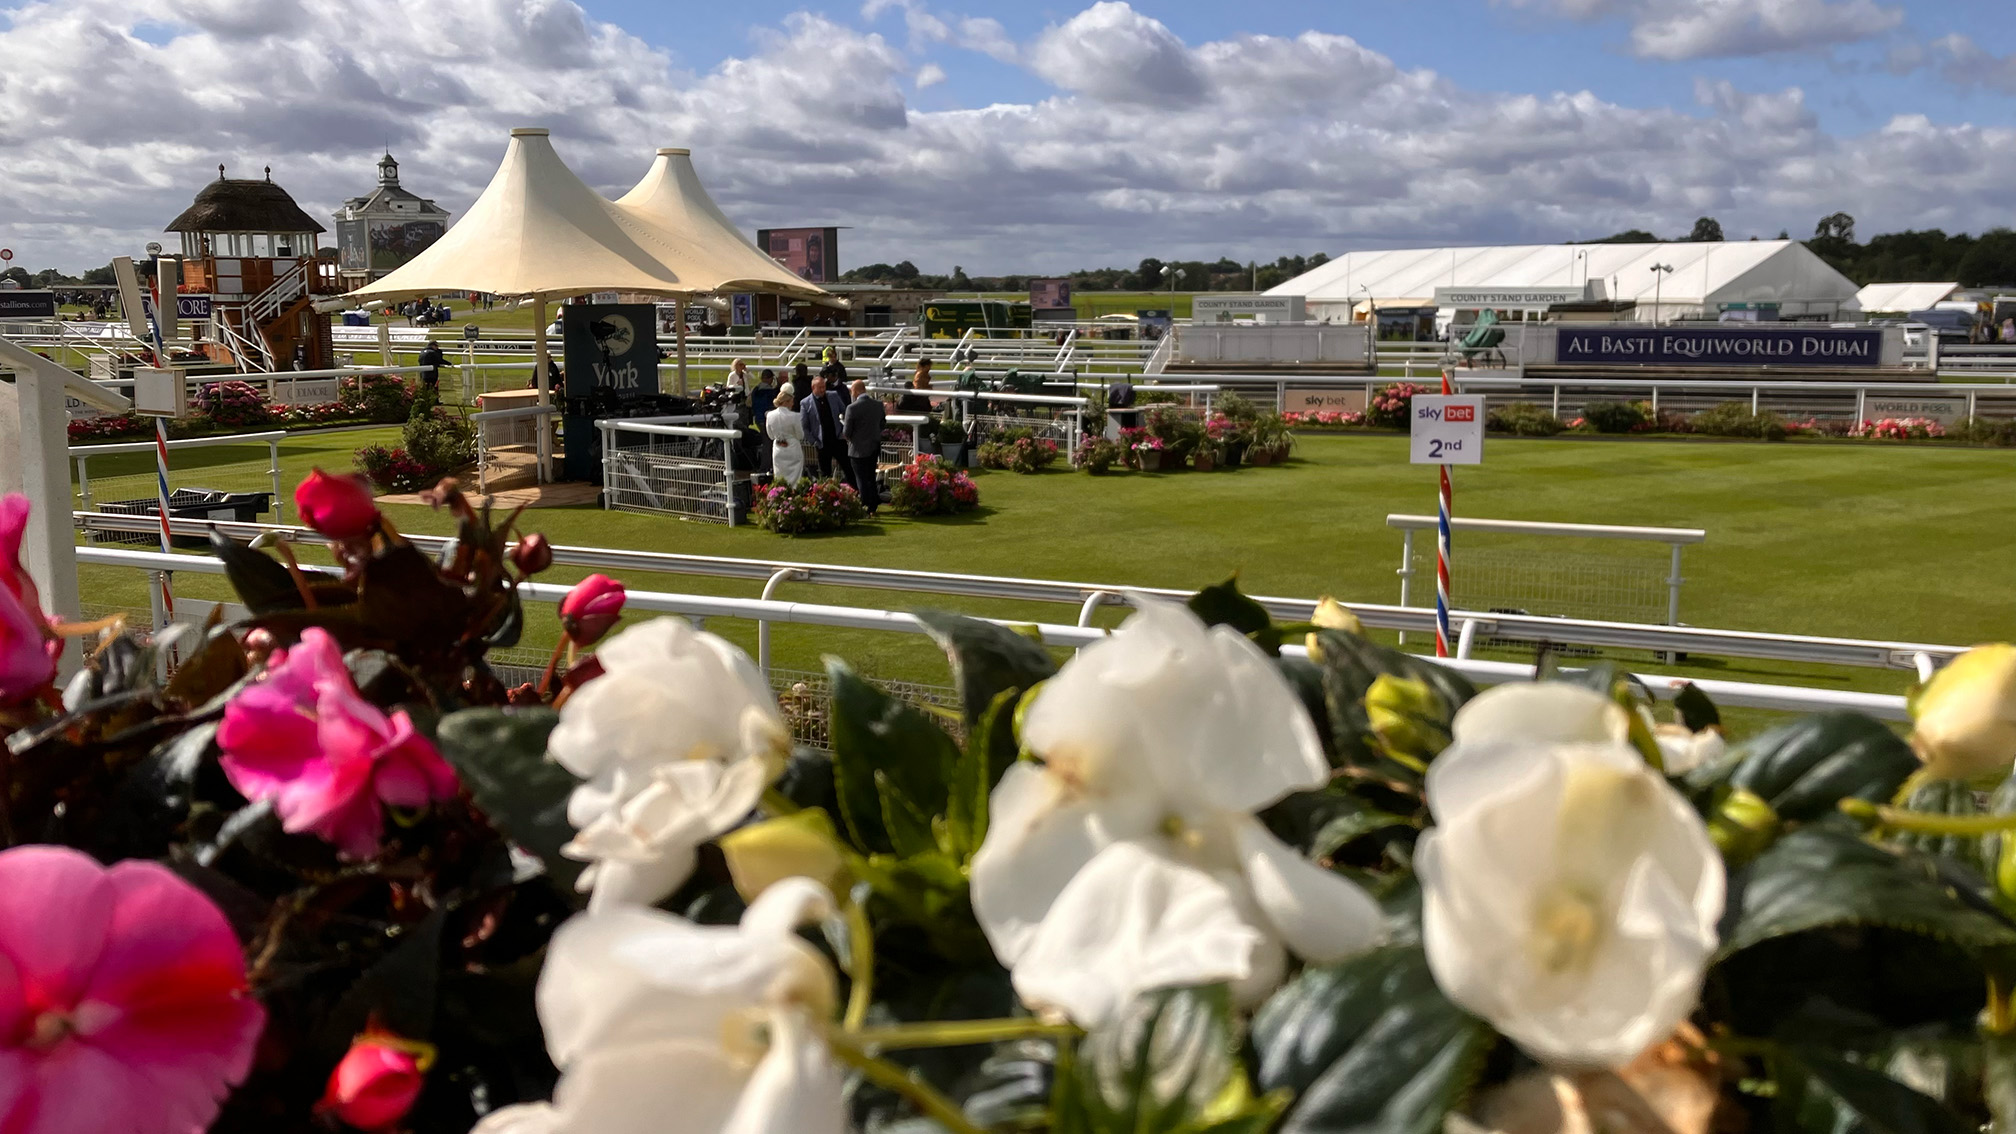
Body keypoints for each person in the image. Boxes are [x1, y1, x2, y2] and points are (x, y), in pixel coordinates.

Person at [841, 380, 886, 515]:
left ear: (856, 391)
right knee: (871, 477)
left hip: (857, 449)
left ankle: (865, 504)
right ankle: (873, 505)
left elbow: (847, 432)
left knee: (860, 478)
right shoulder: (878, 405)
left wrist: (851, 437)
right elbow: (883, 423)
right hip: (873, 446)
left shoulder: (852, 408)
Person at [800, 374, 849, 481]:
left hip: (837, 439)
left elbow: (845, 412)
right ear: (813, 388)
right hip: (822, 443)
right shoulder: (805, 403)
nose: (823, 389)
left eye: (824, 387)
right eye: (820, 387)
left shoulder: (833, 395)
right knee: (825, 474)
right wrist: (813, 441)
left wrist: (845, 431)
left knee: (849, 469)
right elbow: (804, 426)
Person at [767, 390, 807, 486]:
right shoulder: (795, 416)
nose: (793, 404)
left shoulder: (770, 415)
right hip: (792, 448)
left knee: (779, 475)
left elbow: (771, 435)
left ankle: (780, 495)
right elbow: (800, 435)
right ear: (786, 402)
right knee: (795, 478)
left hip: (778, 449)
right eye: (791, 401)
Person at [750, 369, 780, 473]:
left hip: (758, 420)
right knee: (768, 444)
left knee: (766, 442)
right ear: (771, 379)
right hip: (767, 420)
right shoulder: (770, 392)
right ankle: (765, 467)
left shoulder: (755, 390)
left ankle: (766, 466)